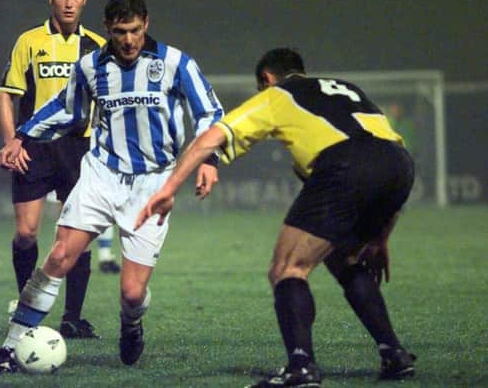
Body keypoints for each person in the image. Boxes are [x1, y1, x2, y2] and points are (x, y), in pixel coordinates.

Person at [0, 0, 224, 375]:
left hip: (152, 186)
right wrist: (22, 136)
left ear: (147, 25)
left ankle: (132, 323)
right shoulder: (91, 66)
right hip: (101, 174)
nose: (128, 40)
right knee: (58, 257)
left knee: (132, 293)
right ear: (107, 28)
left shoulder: (175, 63)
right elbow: (66, 111)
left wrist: (209, 158)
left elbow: (209, 112)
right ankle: (9, 349)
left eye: (135, 31)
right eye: (121, 31)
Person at [136, 48, 416, 387]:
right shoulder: (346, 88)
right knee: (344, 258)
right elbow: (386, 151)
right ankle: (394, 353)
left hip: (345, 164)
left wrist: (168, 188)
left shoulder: (278, 95)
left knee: (287, 269)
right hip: (399, 164)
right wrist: (380, 237)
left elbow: (211, 137)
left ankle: (301, 366)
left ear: (266, 80)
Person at [0, 0, 122, 343]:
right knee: (25, 233)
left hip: (77, 149)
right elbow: (7, 93)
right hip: (33, 147)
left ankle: (72, 318)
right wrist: (10, 141)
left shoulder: (98, 47)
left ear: (85, 0)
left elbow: (110, 103)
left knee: (76, 236)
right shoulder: (29, 42)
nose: (69, 2)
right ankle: (26, 306)